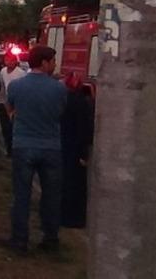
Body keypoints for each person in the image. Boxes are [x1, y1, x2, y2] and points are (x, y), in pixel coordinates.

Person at [2, 46, 66, 254]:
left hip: (23, 145)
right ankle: (50, 238)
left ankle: (19, 240)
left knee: (22, 195)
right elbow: (60, 112)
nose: (55, 65)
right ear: (45, 63)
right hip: (50, 147)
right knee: (51, 196)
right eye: (53, 61)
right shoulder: (58, 88)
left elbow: (9, 109)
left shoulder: (17, 86)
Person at [60, 76, 93, 229]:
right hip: (75, 148)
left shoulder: (64, 101)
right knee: (76, 184)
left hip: (63, 146)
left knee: (64, 182)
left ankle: (63, 215)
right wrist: (83, 153)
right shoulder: (83, 103)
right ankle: (75, 218)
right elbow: (84, 129)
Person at [0, 52, 26, 157]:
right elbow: (2, 88)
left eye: (11, 60)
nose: (9, 62)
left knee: (14, 128)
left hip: (17, 104)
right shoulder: (3, 71)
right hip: (6, 102)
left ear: (15, 61)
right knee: (5, 128)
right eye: (6, 60)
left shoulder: (21, 73)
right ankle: (8, 149)